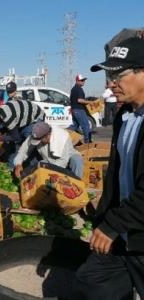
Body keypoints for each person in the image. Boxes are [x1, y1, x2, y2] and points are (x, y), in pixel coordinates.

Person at [75, 37, 144, 300]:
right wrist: (104, 218)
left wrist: (112, 225)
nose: (110, 83)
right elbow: (117, 175)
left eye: (119, 74)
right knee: (93, 280)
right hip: (124, 234)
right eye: (109, 75)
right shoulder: (124, 115)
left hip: (136, 233)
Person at [0, 99, 45, 168]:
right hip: (26, 118)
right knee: (12, 140)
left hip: (36, 118)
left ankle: (34, 167)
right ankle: (13, 165)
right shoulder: (0, 112)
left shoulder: (6, 117)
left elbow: (15, 137)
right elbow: (9, 132)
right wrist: (0, 136)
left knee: (29, 145)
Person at [13, 122, 83, 178]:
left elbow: (63, 161)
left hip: (66, 158)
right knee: (37, 168)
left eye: (40, 140)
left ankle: (77, 181)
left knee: (77, 160)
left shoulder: (63, 137)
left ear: (48, 135)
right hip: (48, 161)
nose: (39, 142)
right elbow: (24, 150)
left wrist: (49, 171)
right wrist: (18, 164)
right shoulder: (37, 134)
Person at [68, 74, 93, 143]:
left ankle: (64, 135)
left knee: (74, 126)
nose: (83, 82)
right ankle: (87, 142)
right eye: (81, 80)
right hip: (79, 110)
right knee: (86, 125)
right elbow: (79, 100)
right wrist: (90, 102)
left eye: (84, 80)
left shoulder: (73, 89)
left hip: (75, 110)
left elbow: (73, 100)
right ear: (77, 81)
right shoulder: (78, 89)